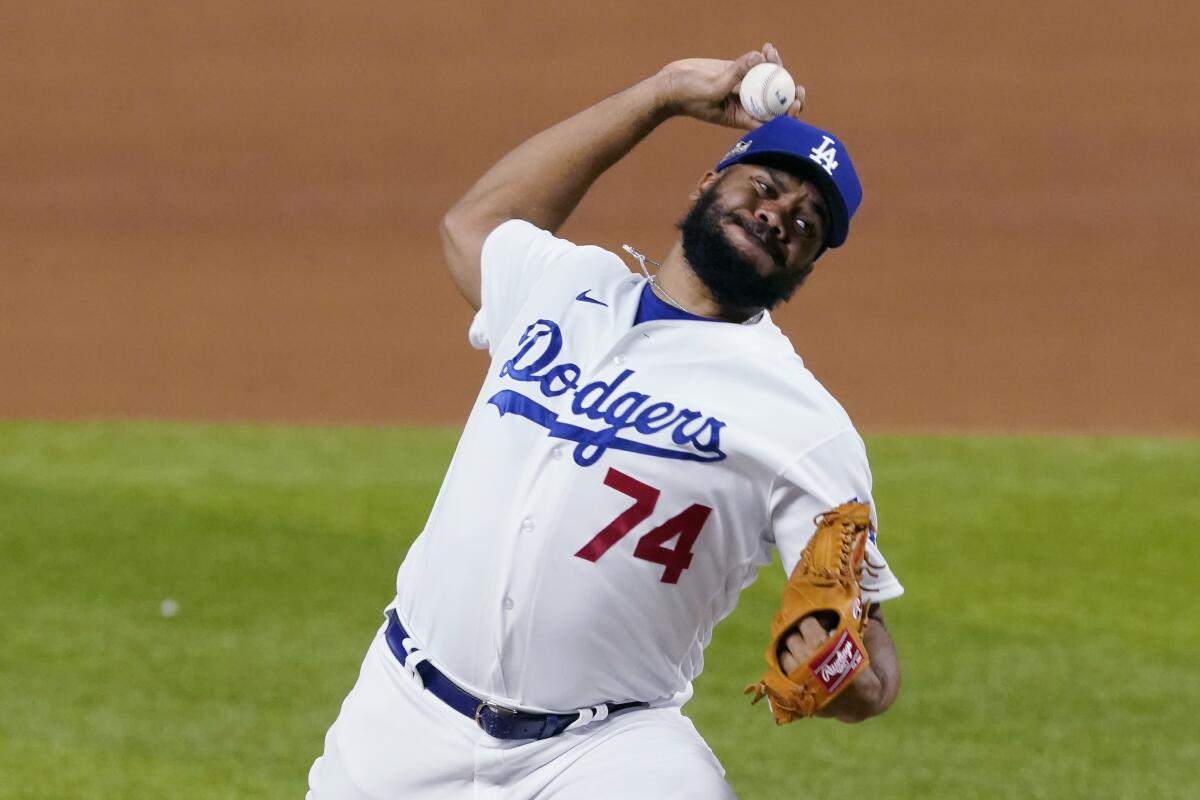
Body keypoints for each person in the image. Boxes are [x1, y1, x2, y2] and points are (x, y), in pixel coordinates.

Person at [308, 43, 904, 800]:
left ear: (806, 266)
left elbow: (869, 653)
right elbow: (476, 221)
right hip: (402, 720)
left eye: (806, 222)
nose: (777, 214)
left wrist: (850, 676)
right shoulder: (563, 286)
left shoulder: (804, 427)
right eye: (765, 185)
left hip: (605, 752)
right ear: (709, 183)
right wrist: (661, 95)